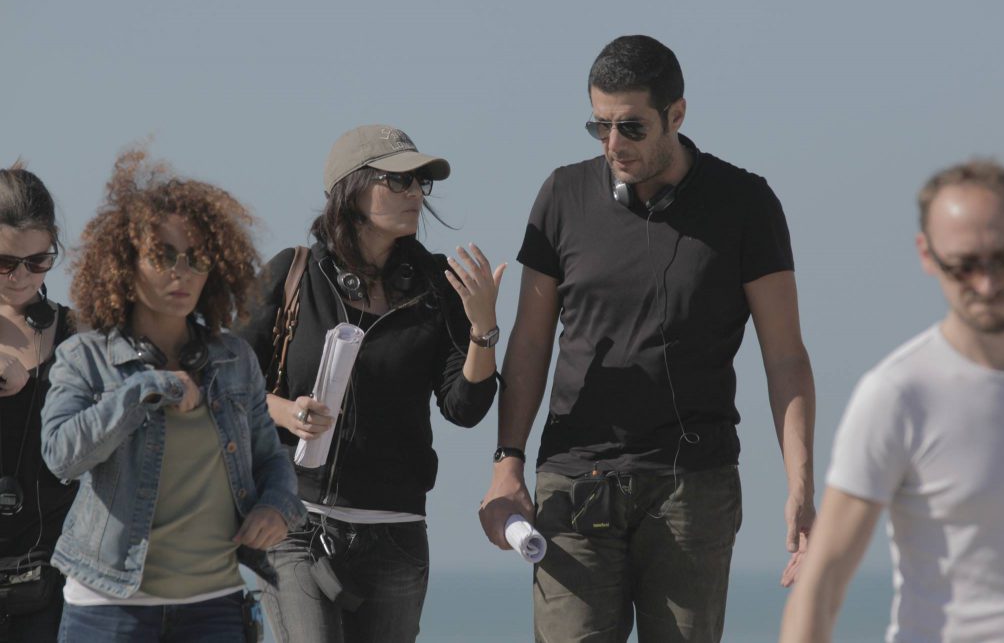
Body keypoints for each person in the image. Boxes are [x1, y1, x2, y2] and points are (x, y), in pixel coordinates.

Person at [478, 34, 816, 642]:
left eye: (631, 127)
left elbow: (786, 356)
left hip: (694, 490)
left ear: (676, 115)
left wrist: (800, 485)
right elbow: (529, 345)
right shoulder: (561, 195)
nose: (613, 144)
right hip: (575, 483)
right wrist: (508, 462)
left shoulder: (747, 203)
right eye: (599, 126)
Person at [236, 124, 503, 643]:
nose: (415, 193)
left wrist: (483, 329)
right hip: (294, 521)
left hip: (396, 533)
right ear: (351, 190)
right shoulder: (293, 274)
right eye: (398, 180)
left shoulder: (437, 285)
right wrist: (287, 412)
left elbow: (465, 407)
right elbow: (225, 382)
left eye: (420, 182)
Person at [39, 149, 305, 643]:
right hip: (109, 606)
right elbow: (61, 457)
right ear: (125, 264)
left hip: (214, 605)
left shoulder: (234, 359)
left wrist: (276, 506)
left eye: (196, 258)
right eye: (163, 256)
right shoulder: (85, 356)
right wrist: (143, 390)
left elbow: (272, 459)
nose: (181, 272)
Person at [780, 160, 1004, 642]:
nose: (987, 284)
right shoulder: (901, 395)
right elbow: (821, 584)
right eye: (964, 266)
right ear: (927, 255)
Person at [0, 162, 76, 642]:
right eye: (4, 262)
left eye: (38, 261)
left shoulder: (79, 335)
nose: (20, 277)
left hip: (52, 579)